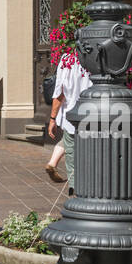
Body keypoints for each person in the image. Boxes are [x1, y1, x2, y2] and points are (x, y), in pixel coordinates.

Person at [46, 54, 92, 190]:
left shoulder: (67, 59)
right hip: (93, 114)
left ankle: (74, 188)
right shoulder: (93, 55)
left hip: (71, 116)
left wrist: (52, 119)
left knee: (71, 152)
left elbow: (60, 93)